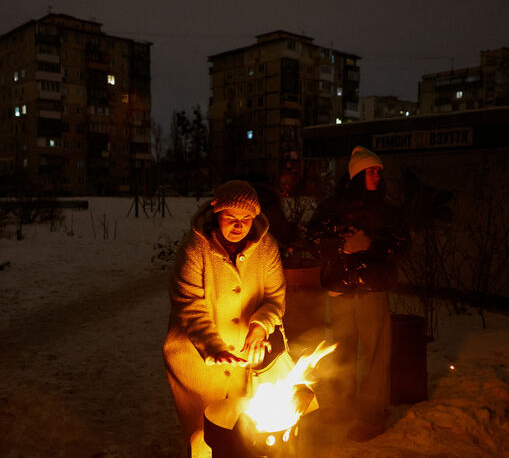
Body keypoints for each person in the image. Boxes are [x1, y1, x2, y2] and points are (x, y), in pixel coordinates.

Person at [163, 180, 286, 458]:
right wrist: (212, 346)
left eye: (245, 219)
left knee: (241, 428)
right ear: (217, 213)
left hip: (244, 356)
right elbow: (188, 305)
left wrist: (260, 326)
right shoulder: (195, 249)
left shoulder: (266, 247)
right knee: (202, 432)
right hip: (196, 358)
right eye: (231, 218)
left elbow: (275, 298)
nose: (239, 226)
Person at [307, 146, 407, 442]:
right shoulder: (330, 207)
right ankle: (340, 407)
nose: (378, 174)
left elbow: (402, 245)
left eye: (379, 171)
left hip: (373, 289)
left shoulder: (388, 210)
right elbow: (312, 239)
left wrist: (370, 245)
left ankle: (372, 416)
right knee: (341, 351)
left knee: (376, 353)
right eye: (372, 170)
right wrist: (338, 245)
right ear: (357, 174)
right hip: (339, 289)